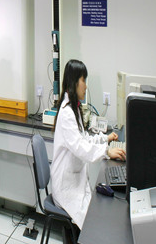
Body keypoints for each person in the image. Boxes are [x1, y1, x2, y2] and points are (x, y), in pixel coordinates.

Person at [51, 59, 126, 230]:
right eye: (83, 80)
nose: (86, 86)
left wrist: (104, 139)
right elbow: (80, 148)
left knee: (95, 214)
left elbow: (84, 139)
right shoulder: (67, 113)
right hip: (66, 187)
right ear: (74, 82)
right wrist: (107, 151)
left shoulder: (74, 109)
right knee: (92, 224)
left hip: (75, 182)